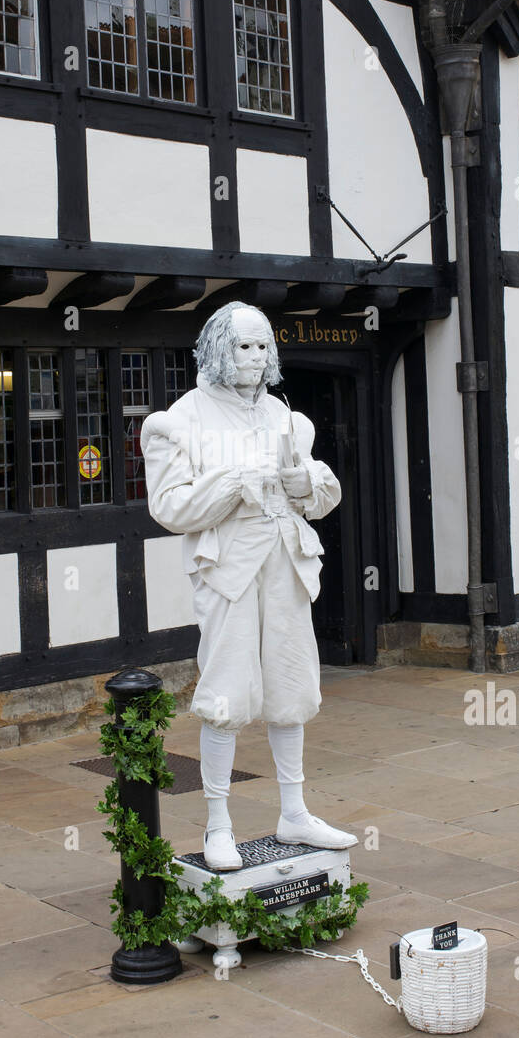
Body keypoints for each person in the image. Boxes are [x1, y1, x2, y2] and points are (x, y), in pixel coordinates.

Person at [140, 300, 359, 871]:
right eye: (244, 346)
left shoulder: (289, 418)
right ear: (218, 348)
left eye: (264, 346)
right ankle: (218, 824)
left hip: (285, 561)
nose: (256, 358)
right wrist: (236, 482)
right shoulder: (178, 421)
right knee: (227, 693)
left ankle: (294, 812)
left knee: (290, 685)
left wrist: (306, 480)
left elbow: (322, 499)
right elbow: (170, 507)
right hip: (228, 570)